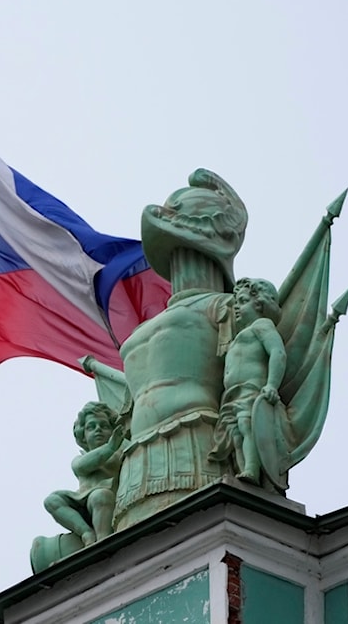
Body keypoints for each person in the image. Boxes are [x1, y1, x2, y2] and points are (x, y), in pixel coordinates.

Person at [113, 169, 248, 530]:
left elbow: (248, 374)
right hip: (134, 471)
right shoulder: (144, 330)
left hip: (202, 450)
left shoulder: (226, 309)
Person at [209, 278, 286, 483]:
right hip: (232, 394)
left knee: (245, 425)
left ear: (259, 304)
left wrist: (272, 384)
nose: (236, 308)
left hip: (251, 389)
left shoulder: (262, 325)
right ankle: (244, 471)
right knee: (235, 433)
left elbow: (277, 352)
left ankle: (252, 469)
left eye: (242, 301)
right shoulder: (238, 336)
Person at [43, 402, 125, 547]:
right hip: (82, 500)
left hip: (108, 500)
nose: (98, 429)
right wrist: (110, 447)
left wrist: (114, 447)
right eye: (91, 427)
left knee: (100, 496)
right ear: (83, 436)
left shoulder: (120, 455)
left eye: (104, 426)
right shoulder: (81, 458)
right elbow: (82, 467)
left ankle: (102, 539)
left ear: (113, 432)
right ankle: (86, 532)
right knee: (52, 500)